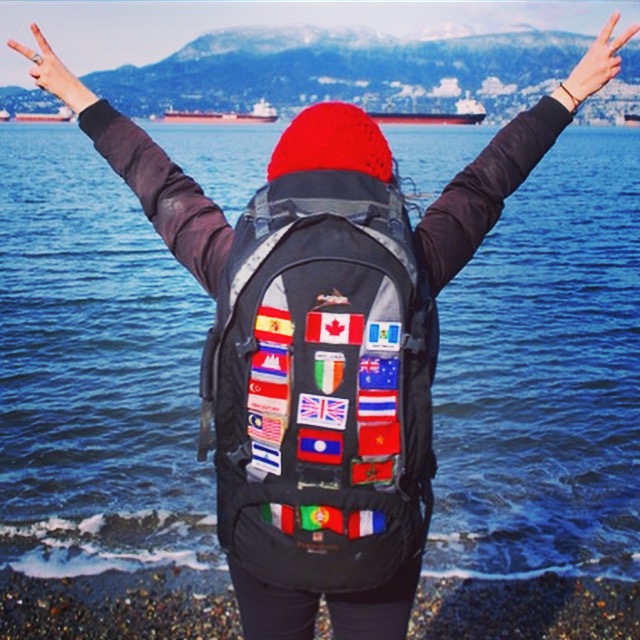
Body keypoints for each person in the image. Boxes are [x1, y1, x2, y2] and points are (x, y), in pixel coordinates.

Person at [8, 13, 639, 640]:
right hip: (380, 533)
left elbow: (158, 183)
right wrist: (569, 93)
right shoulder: (414, 261)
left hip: (263, 529)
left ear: (281, 178)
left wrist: (77, 95)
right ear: (381, 177)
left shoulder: (238, 262)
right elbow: (486, 183)